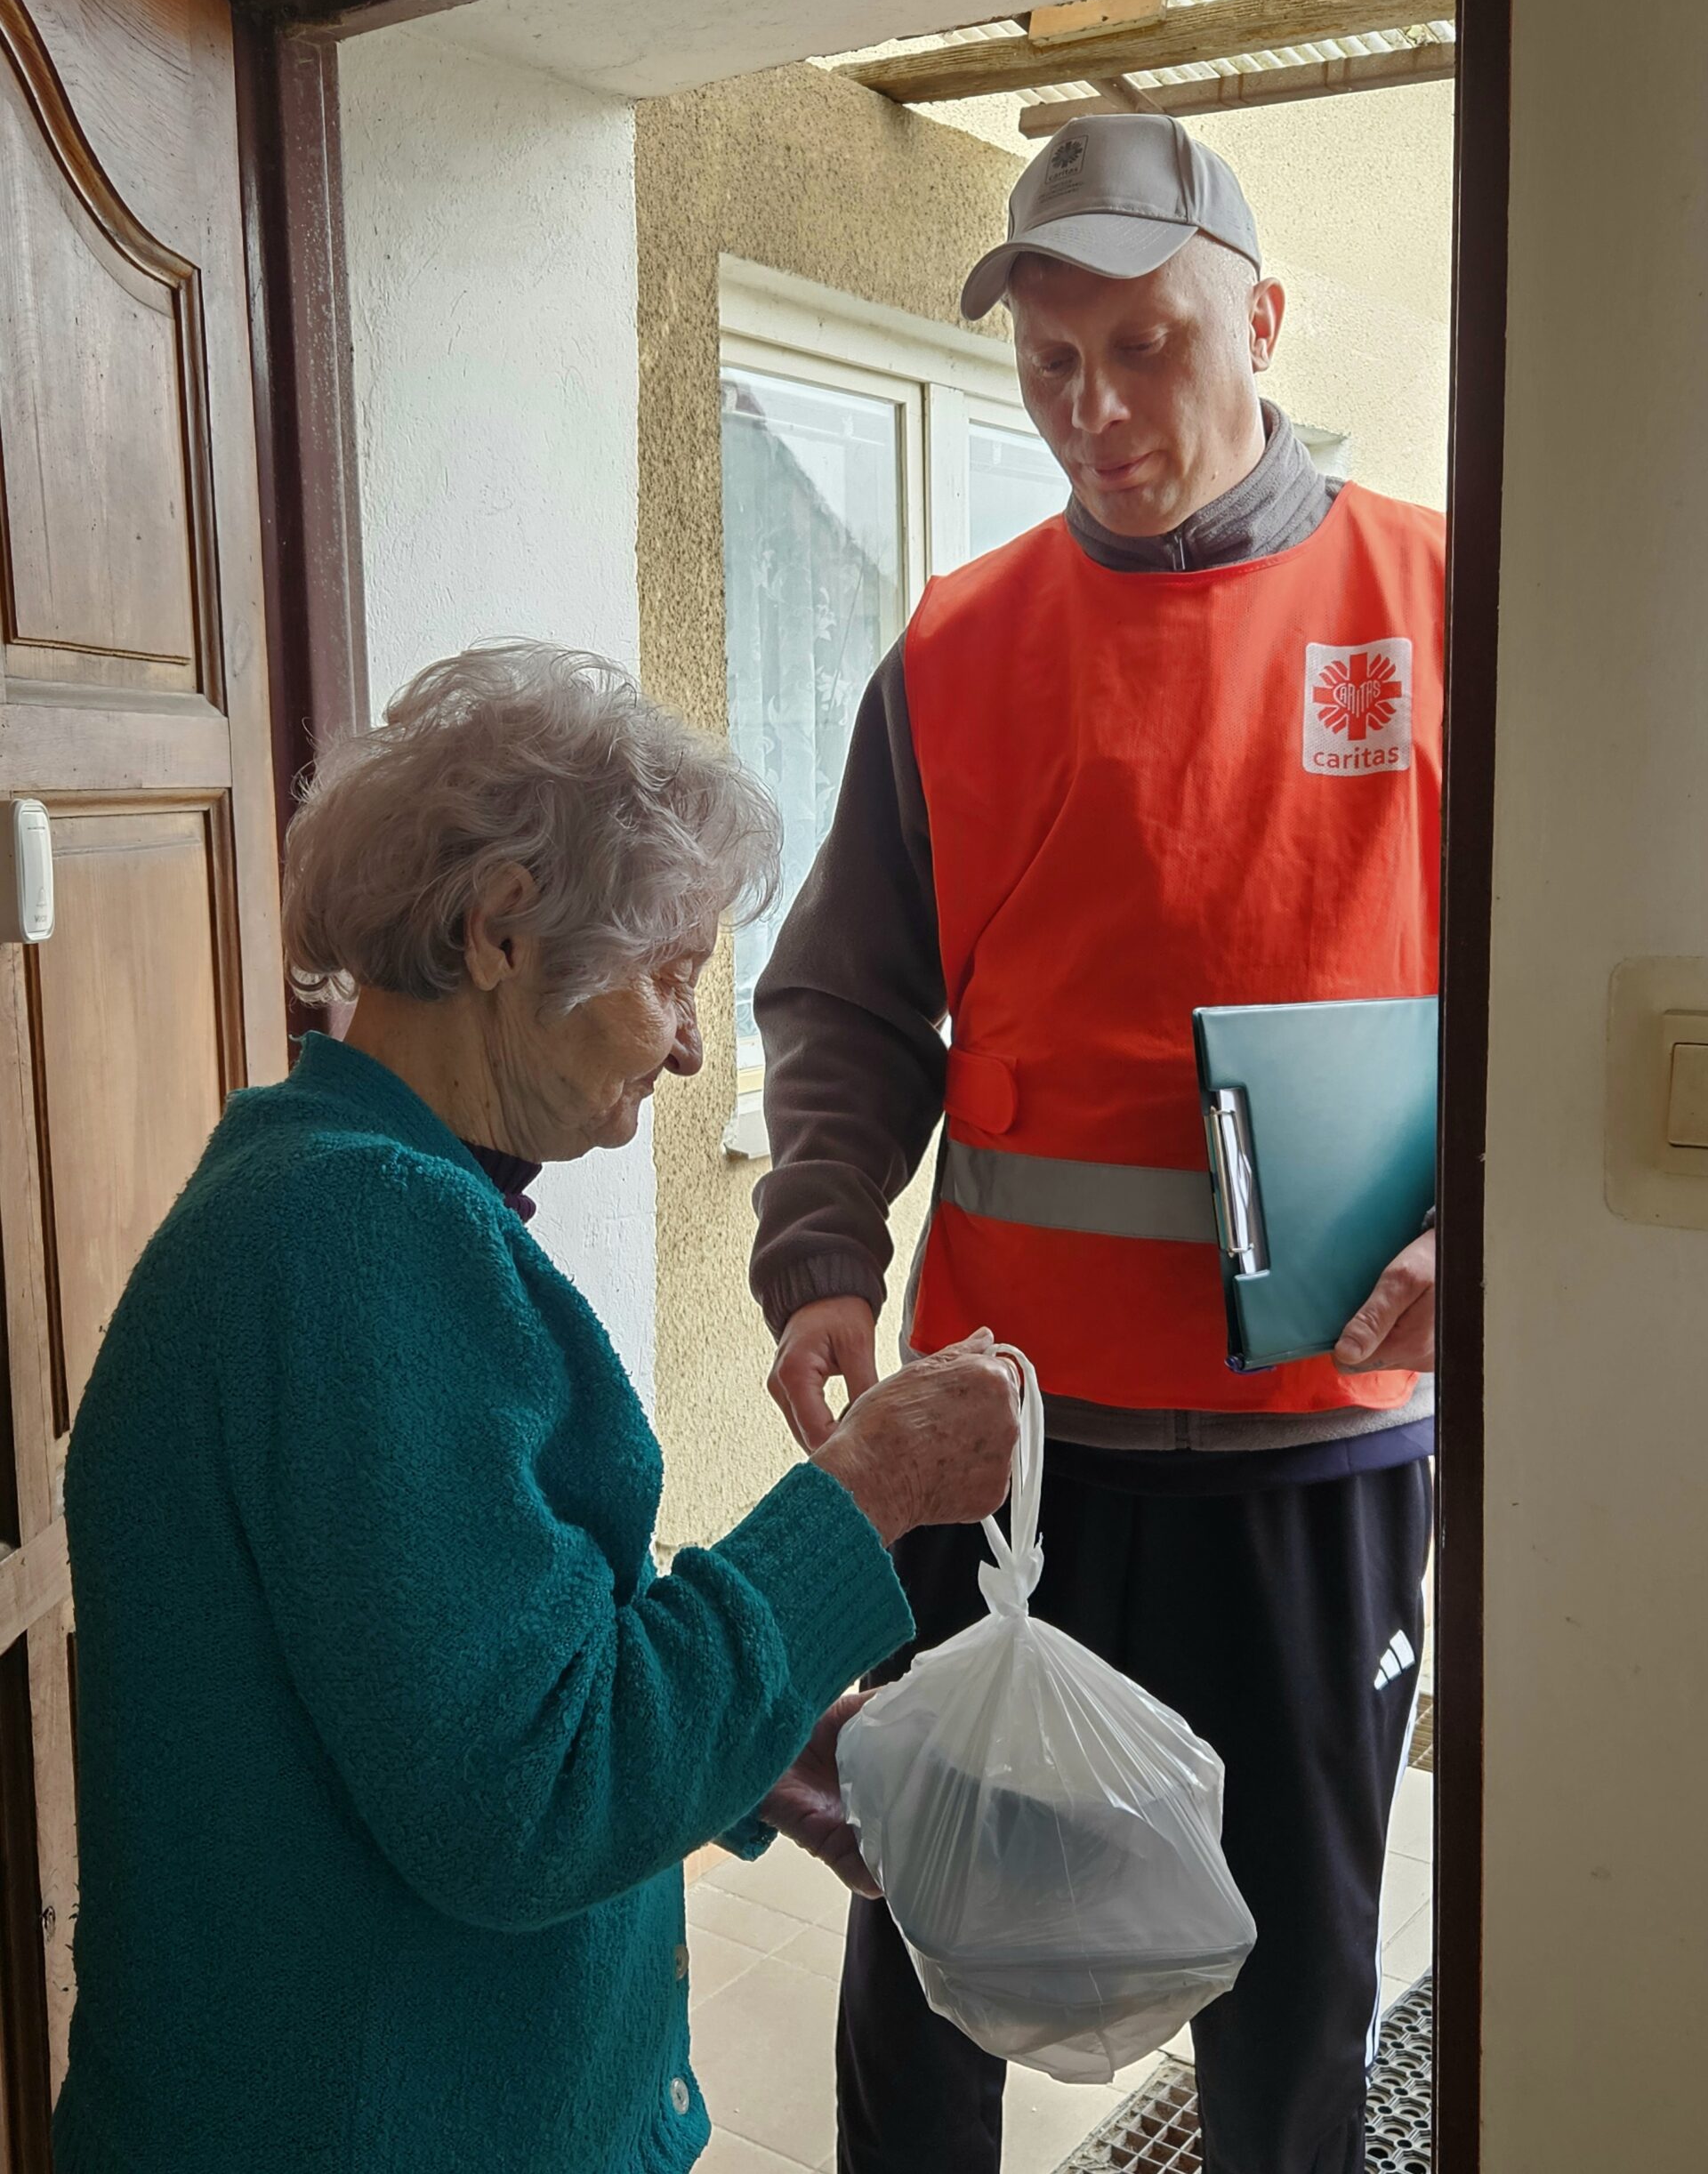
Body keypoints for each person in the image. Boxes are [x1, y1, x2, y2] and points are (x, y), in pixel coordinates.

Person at [54, 646, 1021, 2174]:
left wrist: (764, 1745)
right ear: (499, 929)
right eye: (669, 977)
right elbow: (535, 1798)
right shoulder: (356, 1243)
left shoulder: (332, 1195)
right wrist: (875, 1481)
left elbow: (449, 1681)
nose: (691, 1044)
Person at [751, 115, 1441, 2174]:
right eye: (1052, 363)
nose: (1095, 408)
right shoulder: (956, 649)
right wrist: (820, 1255)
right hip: (1006, 1439)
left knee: (1296, 1968)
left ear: (1264, 318)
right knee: (937, 1922)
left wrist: (1483, 1233)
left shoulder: (1439, 600)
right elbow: (848, 996)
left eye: (1146, 347)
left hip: (1318, 1435)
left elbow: (1571, 976)